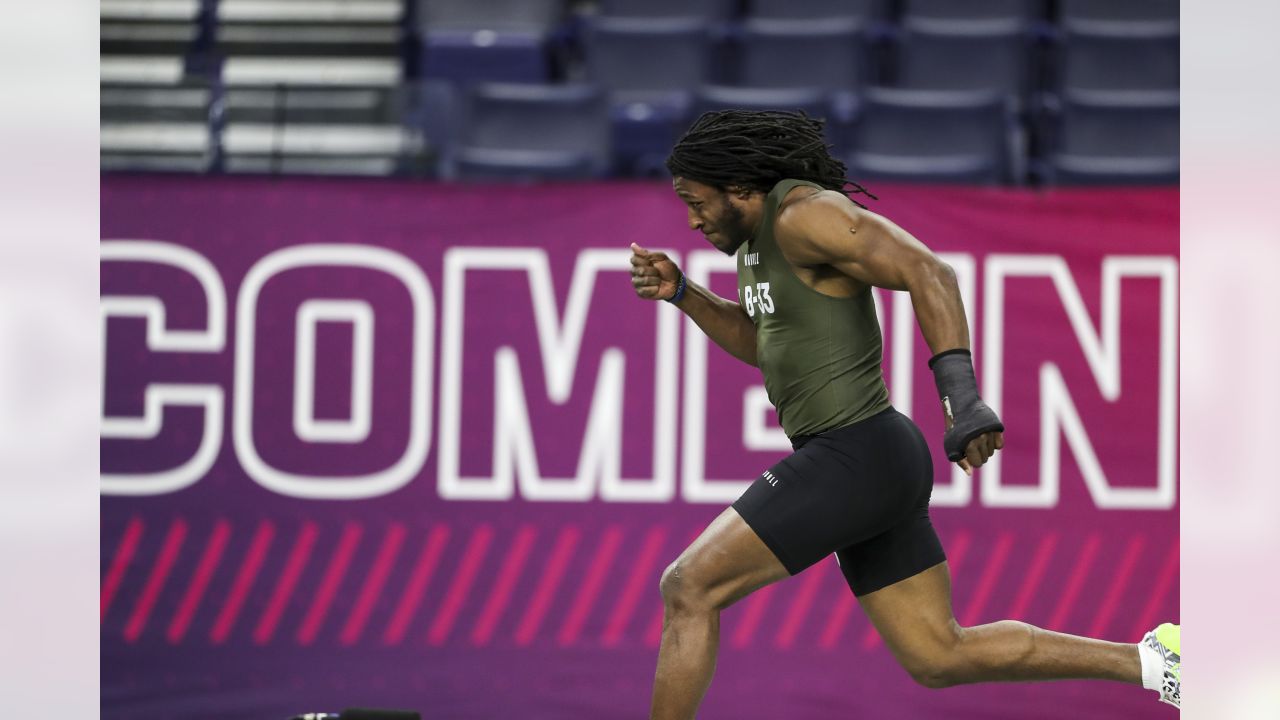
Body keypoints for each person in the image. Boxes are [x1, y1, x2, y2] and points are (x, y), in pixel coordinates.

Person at [628, 110, 1180, 719]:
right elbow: (764, 343)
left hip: (854, 454)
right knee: (939, 656)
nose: (690, 218)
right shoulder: (756, 244)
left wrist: (960, 395)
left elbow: (927, 270)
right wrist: (684, 293)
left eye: (696, 201)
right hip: (870, 460)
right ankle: (1157, 662)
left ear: (739, 189)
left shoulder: (804, 216)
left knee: (688, 586)